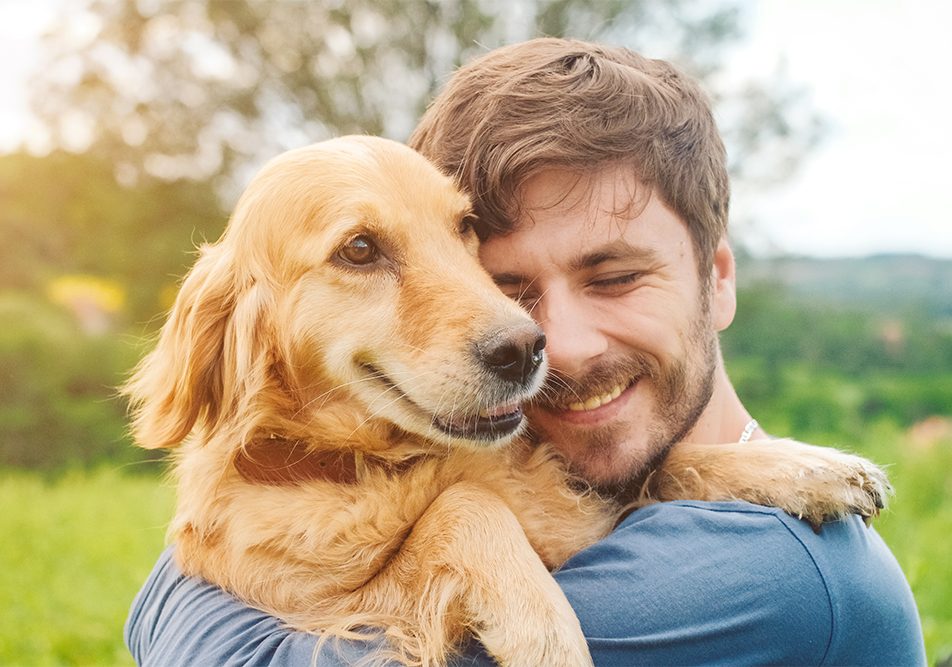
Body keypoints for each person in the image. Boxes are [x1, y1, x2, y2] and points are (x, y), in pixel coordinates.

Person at [125, 38, 925, 665]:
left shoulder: (779, 575)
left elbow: (233, 645)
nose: (549, 344)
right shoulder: (496, 449)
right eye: (507, 283)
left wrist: (465, 531)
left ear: (718, 278)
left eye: (613, 276)